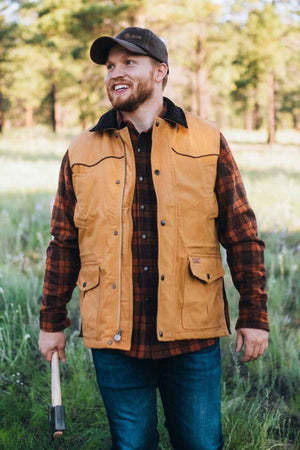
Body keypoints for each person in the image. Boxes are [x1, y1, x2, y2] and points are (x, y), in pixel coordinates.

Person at [38, 27, 269, 449]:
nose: (115, 73)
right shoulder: (81, 151)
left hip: (192, 335)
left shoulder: (207, 140)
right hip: (115, 336)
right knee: (131, 445)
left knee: (200, 444)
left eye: (129, 63)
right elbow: (64, 243)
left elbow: (241, 233)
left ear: (161, 71)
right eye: (110, 66)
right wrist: (52, 321)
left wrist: (254, 314)